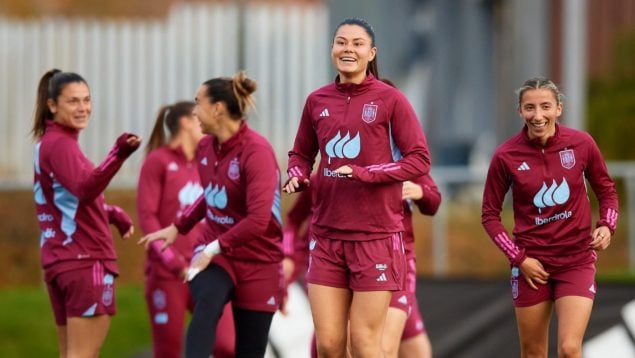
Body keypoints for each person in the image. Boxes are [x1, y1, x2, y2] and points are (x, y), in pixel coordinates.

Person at [283, 17, 431, 357]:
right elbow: (301, 153)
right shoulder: (317, 101)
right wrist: (297, 173)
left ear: (371, 53)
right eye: (341, 42)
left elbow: (419, 159)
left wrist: (367, 173)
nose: (348, 49)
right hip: (326, 237)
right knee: (329, 345)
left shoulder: (390, 99)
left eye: (357, 43)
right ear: (333, 48)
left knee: (365, 344)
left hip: (376, 238)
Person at [139, 71, 284, 358]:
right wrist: (178, 227)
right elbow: (211, 195)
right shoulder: (206, 147)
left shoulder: (257, 152)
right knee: (208, 300)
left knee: (246, 350)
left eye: (197, 103)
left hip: (259, 260)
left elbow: (258, 220)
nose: (194, 111)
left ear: (217, 108)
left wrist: (213, 247)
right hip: (217, 256)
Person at [481, 77, 619, 358]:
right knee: (533, 352)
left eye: (545, 106)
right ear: (520, 112)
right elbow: (489, 216)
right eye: (530, 108)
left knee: (569, 349)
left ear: (559, 109)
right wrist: (520, 259)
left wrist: (607, 225)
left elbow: (607, 191)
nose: (538, 115)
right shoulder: (505, 155)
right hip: (531, 266)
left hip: (576, 261)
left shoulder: (581, 144)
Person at [31, 69, 141, 357]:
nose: (83, 108)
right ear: (52, 105)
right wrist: (118, 154)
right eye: (73, 101)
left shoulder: (48, 143)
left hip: (62, 261)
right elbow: (84, 188)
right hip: (84, 261)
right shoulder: (61, 145)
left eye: (86, 100)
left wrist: (112, 212)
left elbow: (66, 202)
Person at [137, 101, 234, 358]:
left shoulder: (210, 162)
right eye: (198, 116)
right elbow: (147, 219)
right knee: (168, 350)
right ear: (185, 122)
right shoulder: (157, 162)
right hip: (168, 275)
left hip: (208, 269)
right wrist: (173, 262)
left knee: (227, 345)